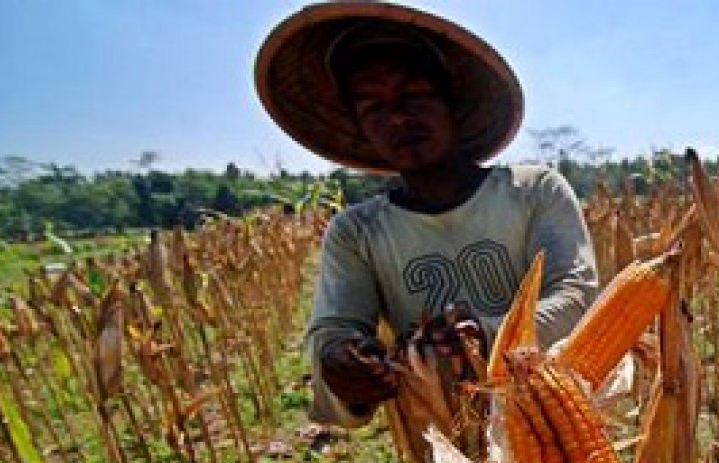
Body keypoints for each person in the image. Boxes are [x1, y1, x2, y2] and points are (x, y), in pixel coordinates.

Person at [256, 2, 598, 427]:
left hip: (558, 430)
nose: (398, 117)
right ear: (360, 125)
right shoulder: (357, 233)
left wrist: (484, 337)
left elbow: (577, 297)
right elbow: (336, 330)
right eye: (373, 108)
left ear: (451, 99)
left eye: (413, 95)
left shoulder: (532, 192)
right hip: (445, 452)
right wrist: (342, 364)